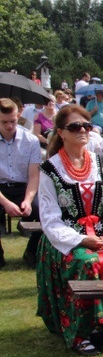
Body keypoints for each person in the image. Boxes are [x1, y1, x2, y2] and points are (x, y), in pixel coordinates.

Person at [37, 105, 103, 356]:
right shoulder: (49, 169)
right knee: (89, 263)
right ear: (61, 133)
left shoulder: (102, 163)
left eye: (86, 126)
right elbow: (50, 219)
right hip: (66, 239)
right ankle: (81, 332)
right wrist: (83, 240)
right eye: (75, 127)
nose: (83, 131)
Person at [0, 98, 42, 268]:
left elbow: (34, 176)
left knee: (45, 211)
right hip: (1, 189)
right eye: (4, 122)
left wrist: (28, 200)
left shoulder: (31, 141)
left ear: (18, 116)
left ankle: (32, 250)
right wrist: (6, 203)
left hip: (24, 187)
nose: (10, 125)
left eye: (13, 121)